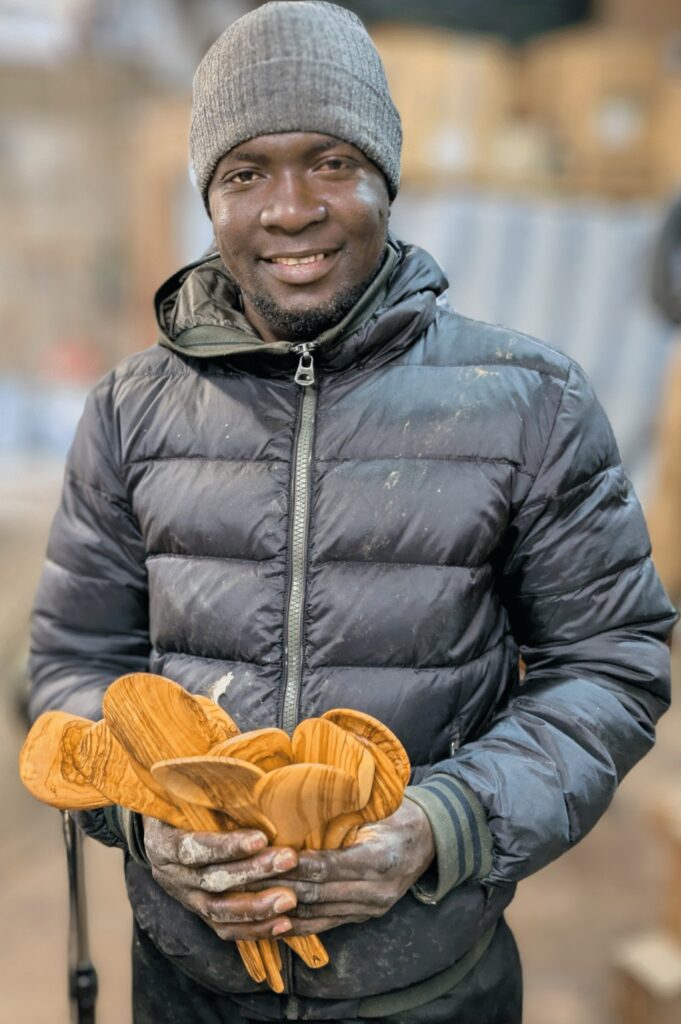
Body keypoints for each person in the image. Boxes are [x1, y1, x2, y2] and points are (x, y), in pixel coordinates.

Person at [29, 3, 677, 1023]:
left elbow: (613, 660)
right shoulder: (130, 410)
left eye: (330, 160)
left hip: (427, 987)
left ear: (386, 176)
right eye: (247, 173)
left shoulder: (527, 401)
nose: (290, 209)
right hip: (190, 986)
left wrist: (442, 824)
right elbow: (69, 663)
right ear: (212, 196)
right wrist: (147, 813)